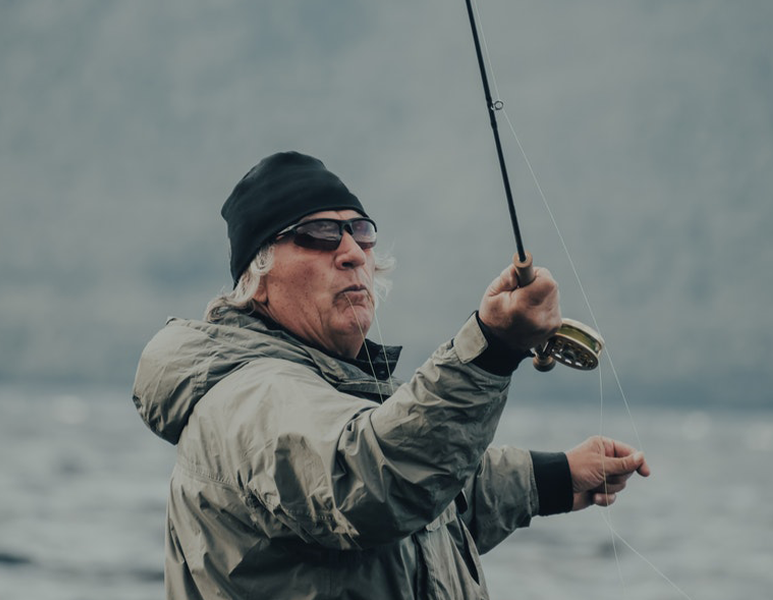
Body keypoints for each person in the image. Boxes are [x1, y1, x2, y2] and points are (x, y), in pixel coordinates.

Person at [132, 151, 650, 599]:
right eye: (317, 233)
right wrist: (491, 348)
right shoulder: (252, 396)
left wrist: (552, 478)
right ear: (258, 279)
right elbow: (369, 482)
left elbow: (423, 511)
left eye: (360, 231)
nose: (353, 252)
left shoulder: (324, 390)